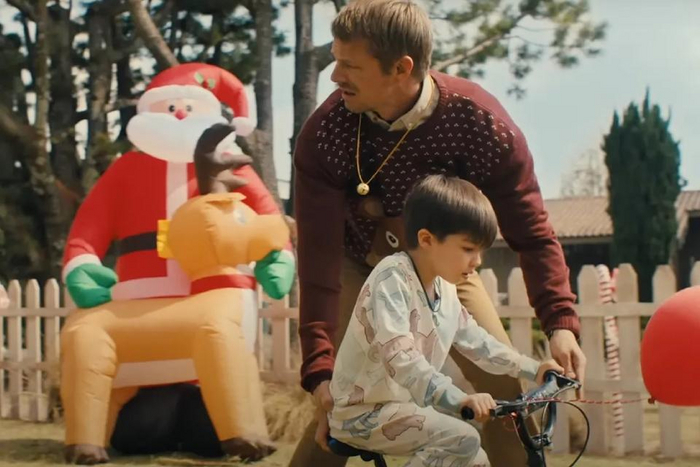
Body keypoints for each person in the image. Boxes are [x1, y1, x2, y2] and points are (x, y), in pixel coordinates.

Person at [291, 1, 586, 466]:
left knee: (503, 387)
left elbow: (531, 232)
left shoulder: (481, 125)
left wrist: (560, 323)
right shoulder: (325, 135)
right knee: (342, 397)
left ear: (401, 67)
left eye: (350, 65)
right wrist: (319, 367)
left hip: (440, 268)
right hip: (353, 263)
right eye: (335, 60)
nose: (335, 76)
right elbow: (317, 259)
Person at [328, 175, 564, 466]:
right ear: (427, 239)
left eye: (480, 251)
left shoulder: (445, 289)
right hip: (362, 412)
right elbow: (401, 357)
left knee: (477, 461)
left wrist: (534, 368)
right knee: (462, 438)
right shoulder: (392, 278)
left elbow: (479, 343)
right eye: (468, 249)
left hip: (403, 409)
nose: (478, 260)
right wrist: (457, 398)